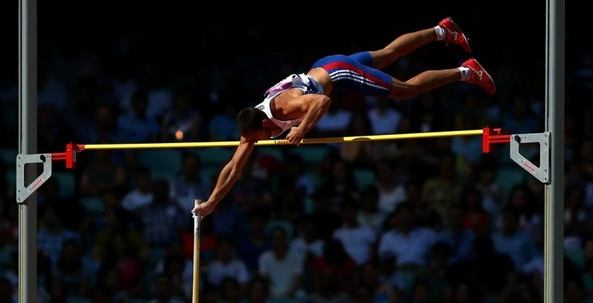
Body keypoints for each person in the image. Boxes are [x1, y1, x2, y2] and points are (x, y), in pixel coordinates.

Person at [193, 17, 496, 218]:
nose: (259, 142)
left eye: (259, 137)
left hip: (337, 73)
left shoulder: (284, 108)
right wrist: (210, 203)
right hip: (325, 66)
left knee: (404, 90)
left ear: (264, 124)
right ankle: (443, 30)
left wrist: (301, 129)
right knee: (388, 53)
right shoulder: (253, 128)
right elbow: (233, 168)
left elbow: (322, 101)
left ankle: (466, 71)